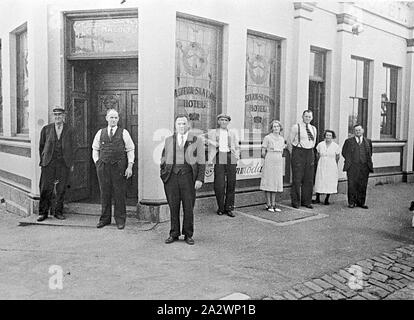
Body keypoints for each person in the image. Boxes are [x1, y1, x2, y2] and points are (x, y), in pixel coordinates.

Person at [160, 114, 205, 245]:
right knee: (173, 207)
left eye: (184, 124)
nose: (181, 126)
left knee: (188, 207)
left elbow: (202, 161)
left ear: (188, 125)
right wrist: (163, 175)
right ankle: (174, 233)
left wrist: (199, 179)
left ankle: (188, 234)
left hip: (188, 178)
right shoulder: (169, 140)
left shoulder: (196, 140)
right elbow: (163, 159)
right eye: (179, 124)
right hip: (172, 178)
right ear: (175, 126)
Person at [92, 108, 135, 229]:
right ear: (106, 118)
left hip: (119, 167)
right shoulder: (100, 133)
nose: (113, 120)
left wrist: (129, 166)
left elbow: (130, 149)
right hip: (104, 167)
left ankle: (120, 220)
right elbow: (95, 149)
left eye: (116, 118)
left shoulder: (124, 132)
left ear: (118, 119)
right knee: (104, 193)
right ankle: (104, 219)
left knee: (119, 193)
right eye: (111, 117)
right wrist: (97, 163)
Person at [38, 106, 74, 222]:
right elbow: (41, 147)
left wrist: (71, 162)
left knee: (61, 188)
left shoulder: (70, 129)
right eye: (56, 115)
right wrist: (43, 160)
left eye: (60, 115)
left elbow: (75, 147)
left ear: (64, 116)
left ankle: (58, 212)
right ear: (53, 116)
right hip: (48, 163)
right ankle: (43, 213)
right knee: (45, 188)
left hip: (63, 163)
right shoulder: (46, 129)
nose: (58, 117)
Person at [207, 114, 240, 217]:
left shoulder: (232, 132)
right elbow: (201, 138)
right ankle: (220, 207)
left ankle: (229, 207)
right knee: (219, 183)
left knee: (231, 182)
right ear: (218, 121)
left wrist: (236, 156)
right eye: (222, 120)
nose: (224, 122)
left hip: (230, 156)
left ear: (228, 122)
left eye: (226, 120)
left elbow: (237, 145)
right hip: (219, 155)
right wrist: (213, 143)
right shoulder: (213, 132)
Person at [288, 110, 317, 209]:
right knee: (297, 178)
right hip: (299, 152)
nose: (307, 118)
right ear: (302, 116)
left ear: (312, 118)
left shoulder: (313, 128)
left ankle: (307, 201)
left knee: (308, 178)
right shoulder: (296, 127)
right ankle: (295, 202)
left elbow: (313, 142)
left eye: (309, 117)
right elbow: (290, 142)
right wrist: (294, 155)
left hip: (309, 152)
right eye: (306, 116)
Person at [341, 124, 373, 209]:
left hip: (364, 166)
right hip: (352, 167)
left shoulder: (368, 141)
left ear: (362, 131)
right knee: (352, 185)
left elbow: (370, 153)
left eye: (359, 130)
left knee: (363, 185)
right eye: (356, 130)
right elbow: (344, 152)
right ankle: (351, 202)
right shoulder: (349, 141)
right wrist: (350, 161)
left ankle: (361, 202)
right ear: (354, 132)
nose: (358, 132)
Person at [260, 120, 285, 212]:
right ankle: (268, 204)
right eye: (274, 127)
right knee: (269, 180)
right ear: (271, 128)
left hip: (278, 159)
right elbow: (263, 151)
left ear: (280, 128)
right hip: (270, 157)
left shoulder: (281, 139)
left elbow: (282, 151)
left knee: (275, 181)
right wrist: (269, 156)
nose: (276, 128)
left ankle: (274, 203)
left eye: (277, 126)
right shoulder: (267, 137)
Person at [313, 130, 340, 205]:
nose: (328, 137)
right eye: (327, 135)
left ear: (332, 137)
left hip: (331, 165)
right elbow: (317, 155)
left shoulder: (335, 146)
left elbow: (337, 157)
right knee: (320, 179)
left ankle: (327, 199)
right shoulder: (320, 145)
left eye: (330, 135)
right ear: (324, 136)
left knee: (329, 181)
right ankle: (317, 198)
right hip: (321, 164)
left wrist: (334, 164)